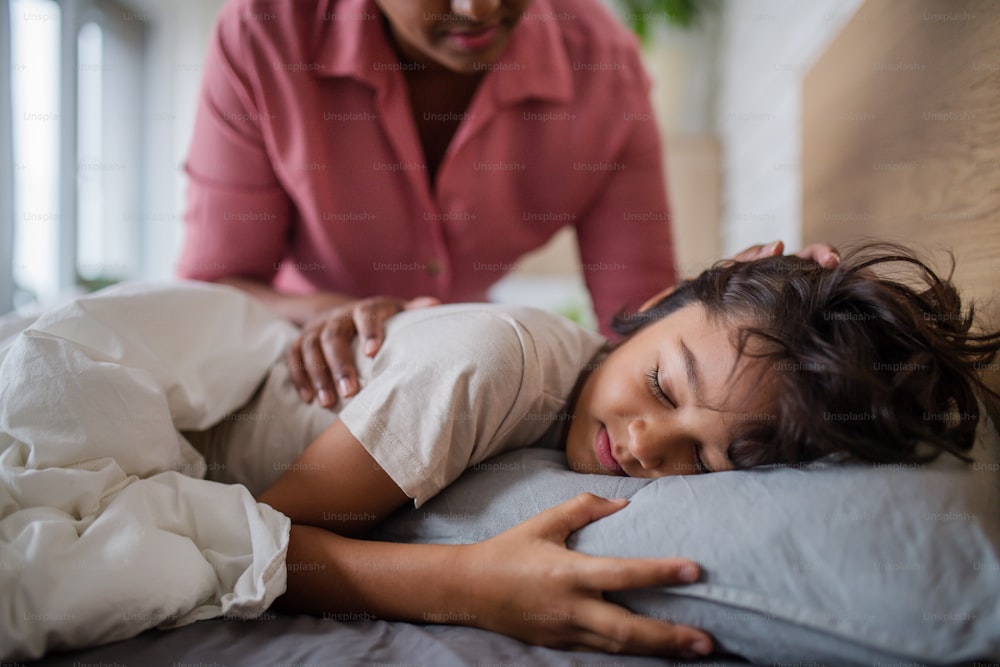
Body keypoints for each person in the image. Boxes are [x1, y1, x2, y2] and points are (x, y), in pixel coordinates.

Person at [188, 243, 1000, 657]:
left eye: (709, 461)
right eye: (661, 385)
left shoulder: (586, 397)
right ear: (650, 308)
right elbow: (257, 541)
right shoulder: (492, 357)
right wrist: (463, 587)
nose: (647, 445)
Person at [176, 0, 839, 409]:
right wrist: (330, 314)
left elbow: (634, 319)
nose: (480, 6)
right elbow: (212, 291)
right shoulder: (262, 36)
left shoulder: (605, 71)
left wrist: (760, 307)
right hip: (293, 355)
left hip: (451, 363)